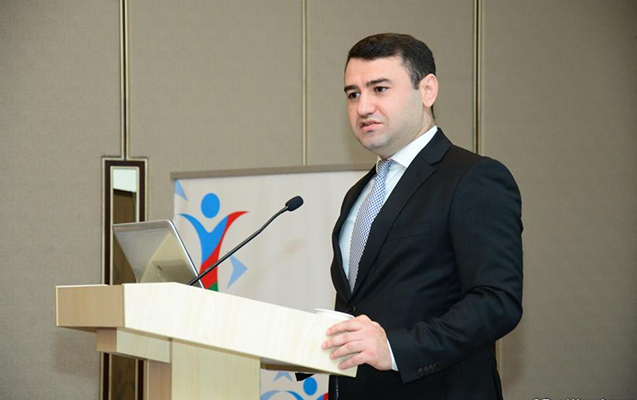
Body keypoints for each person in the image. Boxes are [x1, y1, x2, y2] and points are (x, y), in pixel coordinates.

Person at [321, 33, 523, 399]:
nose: (363, 107)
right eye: (352, 94)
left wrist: (395, 349)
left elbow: (497, 302)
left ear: (427, 90)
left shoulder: (473, 178)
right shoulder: (359, 194)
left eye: (379, 89)